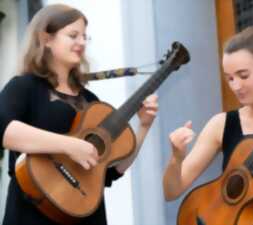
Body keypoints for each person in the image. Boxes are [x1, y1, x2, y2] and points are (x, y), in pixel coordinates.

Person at [0, 4, 158, 225]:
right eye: (73, 35)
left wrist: (144, 126)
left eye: (85, 36)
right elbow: (6, 131)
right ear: (46, 38)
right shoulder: (24, 86)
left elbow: (112, 170)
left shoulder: (91, 100)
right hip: (32, 212)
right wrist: (69, 145)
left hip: (86, 215)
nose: (82, 43)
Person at [163, 21, 253, 225]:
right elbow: (172, 191)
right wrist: (176, 158)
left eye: (243, 75)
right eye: (229, 78)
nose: (236, 86)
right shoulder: (222, 124)